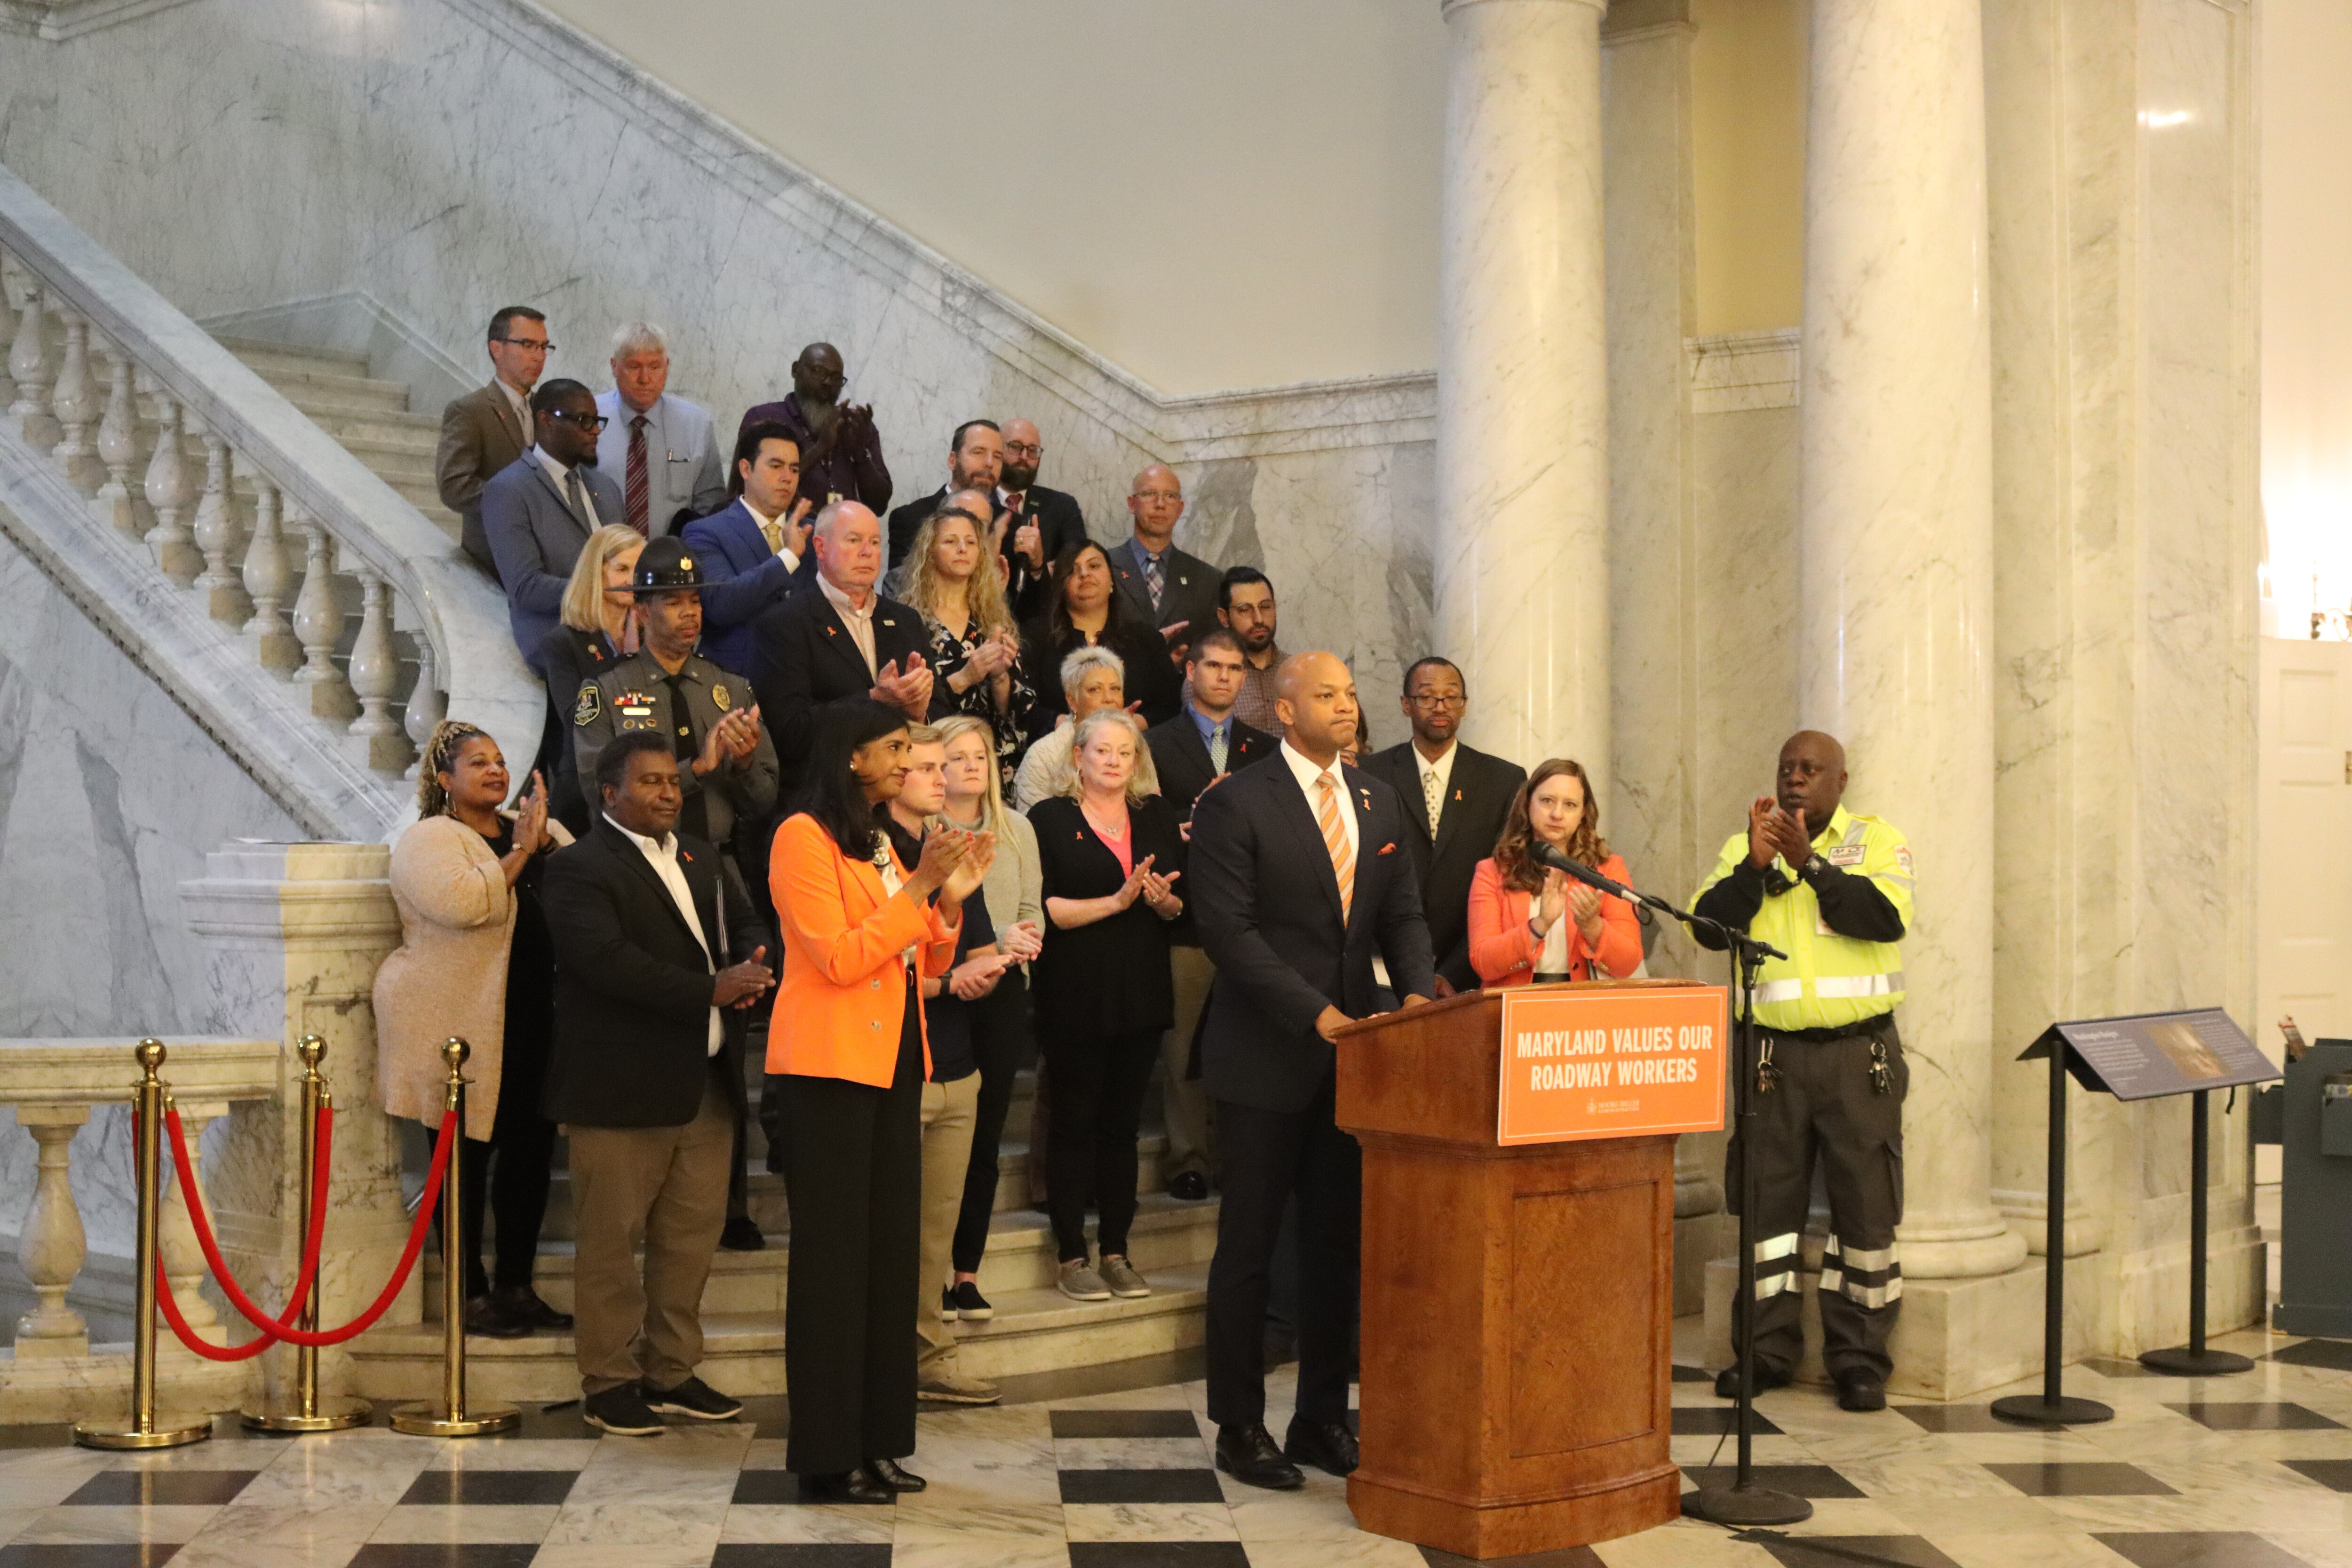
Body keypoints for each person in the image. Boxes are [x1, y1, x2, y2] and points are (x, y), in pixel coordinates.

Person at [1188, 651, 1437, 1490]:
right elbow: (1231, 933)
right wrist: (1313, 1011)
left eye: (1351, 693)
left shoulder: (1375, 795)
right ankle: (1240, 1422)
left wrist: (1410, 997)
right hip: (1265, 1053)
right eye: (1326, 694)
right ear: (1285, 711)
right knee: (1250, 1247)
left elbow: (1402, 909)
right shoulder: (1237, 802)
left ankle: (1321, 1415)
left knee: (1337, 1246)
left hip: (1356, 1060)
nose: (1346, 706)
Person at [768, 700, 992, 1501]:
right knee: (835, 1265)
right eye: (894, 747)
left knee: (891, 1258)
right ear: (850, 756)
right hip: (828, 1065)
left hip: (896, 1056)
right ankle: (829, 1456)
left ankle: (881, 1437)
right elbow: (836, 957)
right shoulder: (803, 835)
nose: (908, 759)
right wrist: (923, 885)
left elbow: (921, 947)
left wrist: (952, 897)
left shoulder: (875, 838)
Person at [541, 732, 772, 1435]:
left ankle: (671, 1371)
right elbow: (608, 964)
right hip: (620, 1088)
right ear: (609, 793)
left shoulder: (701, 855)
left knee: (690, 1237)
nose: (669, 792)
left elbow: (748, 916)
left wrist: (759, 964)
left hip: (704, 1081)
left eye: (673, 781)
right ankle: (609, 1380)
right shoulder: (578, 867)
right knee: (612, 1243)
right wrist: (713, 988)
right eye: (650, 782)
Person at [1691, 730, 1914, 1414]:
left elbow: (1883, 920)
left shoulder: (1877, 842)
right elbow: (1707, 926)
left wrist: (1810, 863)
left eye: (1811, 770)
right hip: (1771, 1059)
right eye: (1787, 768)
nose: (1795, 780)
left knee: (1865, 1210)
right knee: (1767, 1207)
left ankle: (1860, 1362)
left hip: (1859, 1057)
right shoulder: (1743, 846)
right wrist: (1757, 868)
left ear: (1840, 781)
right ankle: (1762, 1353)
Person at [570, 536, 780, 1252]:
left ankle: (732, 1204)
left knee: (732, 1038)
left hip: (716, 868)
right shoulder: (607, 690)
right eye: (672, 601)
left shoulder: (729, 687)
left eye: (694, 601)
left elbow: (764, 795)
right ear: (643, 606)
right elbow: (595, 785)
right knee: (666, 1013)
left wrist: (744, 764)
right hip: (638, 871)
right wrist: (699, 766)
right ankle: (657, 1189)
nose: (687, 615)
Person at [373, 723, 574, 1337]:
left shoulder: (531, 829)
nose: (495, 771)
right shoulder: (431, 838)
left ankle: (517, 1285)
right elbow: (468, 904)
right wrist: (521, 849)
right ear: (444, 779)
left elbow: (584, 885)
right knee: (462, 1160)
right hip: (457, 1026)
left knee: (530, 1158)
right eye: (478, 763)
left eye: (500, 761)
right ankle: (470, 1292)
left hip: (534, 1019)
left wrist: (546, 841)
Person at [880, 726, 1023, 1405]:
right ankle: (878, 1357)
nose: (942, 779)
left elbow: (973, 948)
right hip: (890, 1060)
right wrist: (942, 983)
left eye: (947, 766)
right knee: (888, 1225)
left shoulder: (953, 847)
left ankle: (932, 1354)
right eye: (927, 766)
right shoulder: (867, 848)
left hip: (955, 1063)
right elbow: (878, 962)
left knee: (937, 1227)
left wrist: (980, 970)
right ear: (891, 772)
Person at [1029, 710, 1188, 1302]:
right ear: (1078, 758)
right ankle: (1072, 1255)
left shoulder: (1156, 816)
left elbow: (1180, 910)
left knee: (1121, 1128)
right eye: (1102, 751)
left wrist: (1163, 901)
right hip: (1074, 991)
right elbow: (1044, 908)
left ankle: (1117, 1251)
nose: (1115, 761)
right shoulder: (1048, 818)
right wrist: (1117, 902)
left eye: (1125, 752)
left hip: (1141, 991)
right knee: (1074, 1123)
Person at [1145, 628, 1275, 1202]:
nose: (1225, 676)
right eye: (1214, 666)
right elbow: (1139, 821)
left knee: (1244, 1050)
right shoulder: (1155, 743)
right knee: (1181, 1052)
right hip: (1184, 917)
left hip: (1250, 923)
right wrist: (1187, 817)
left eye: (1235, 669)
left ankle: (1237, 1159)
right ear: (1189, 672)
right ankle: (1187, 1160)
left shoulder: (1265, 748)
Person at [934, 716, 1044, 1325]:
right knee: (940, 1135)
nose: (973, 765)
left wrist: (1022, 941)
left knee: (985, 1133)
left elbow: (1034, 908)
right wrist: (993, 938)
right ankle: (929, 1272)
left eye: (980, 755)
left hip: (1003, 992)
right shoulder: (921, 830)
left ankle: (966, 1271)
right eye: (958, 755)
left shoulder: (1018, 829)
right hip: (943, 991)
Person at [1363, 657, 1529, 995]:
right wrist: (1410, 967)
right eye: (1427, 696)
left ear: (1464, 706)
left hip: (1471, 973)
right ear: (1406, 705)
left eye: (1451, 696)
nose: (1441, 706)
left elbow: (1507, 883)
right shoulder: (1370, 775)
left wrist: (1453, 971)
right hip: (1384, 972)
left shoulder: (1503, 781)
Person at [750, 501, 934, 794]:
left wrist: (919, 713)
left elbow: (941, 718)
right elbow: (790, 733)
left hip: (903, 794)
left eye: (875, 542)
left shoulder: (905, 621)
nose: (868, 551)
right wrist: (874, 699)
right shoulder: (786, 624)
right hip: (825, 794)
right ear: (820, 548)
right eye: (854, 540)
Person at [481, 379, 625, 674]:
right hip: (561, 649)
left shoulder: (606, 488)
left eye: (597, 421)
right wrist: (602, 590)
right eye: (584, 421)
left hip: (622, 642)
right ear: (545, 420)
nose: (595, 430)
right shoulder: (509, 490)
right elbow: (526, 587)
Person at [1467, 758, 1641, 987]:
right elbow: (1484, 963)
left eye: (1570, 805)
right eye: (1547, 801)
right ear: (1527, 804)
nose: (1557, 814)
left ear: (1583, 814)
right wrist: (1540, 924)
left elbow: (1627, 964)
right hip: (1512, 1007)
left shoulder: (1608, 869)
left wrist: (1591, 925)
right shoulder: (1492, 872)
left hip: (1582, 1009)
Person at [895, 491, 1033, 780]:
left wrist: (999, 678)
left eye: (971, 542)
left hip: (993, 761)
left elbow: (1016, 713)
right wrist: (969, 675)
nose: (963, 549)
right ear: (929, 551)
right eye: (950, 541)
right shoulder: (908, 619)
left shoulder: (993, 616)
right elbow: (907, 703)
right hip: (936, 762)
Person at [680, 421, 811, 677]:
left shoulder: (815, 532)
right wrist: (788, 557)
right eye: (776, 466)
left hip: (808, 679)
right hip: (737, 680)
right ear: (746, 469)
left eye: (794, 469)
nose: (787, 477)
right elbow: (722, 604)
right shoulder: (705, 532)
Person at [538, 525, 643, 834]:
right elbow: (577, 717)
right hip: (586, 788)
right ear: (595, 574)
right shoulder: (564, 642)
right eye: (622, 569)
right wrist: (629, 662)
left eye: (639, 570)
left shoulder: (653, 636)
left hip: (644, 785)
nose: (632, 581)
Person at [1020, 538, 1181, 737]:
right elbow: (1022, 707)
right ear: (1061, 585)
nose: (1085, 574)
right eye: (1073, 570)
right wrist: (1072, 725)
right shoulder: (1035, 636)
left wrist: (1126, 723)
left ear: (1112, 581)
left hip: (1130, 752)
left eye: (1094, 566)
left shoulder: (1145, 638)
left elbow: (1170, 706)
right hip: (1057, 752)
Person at [436, 305, 545, 567]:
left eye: (544, 347)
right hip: (494, 559)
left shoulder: (547, 409)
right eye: (528, 345)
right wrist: (518, 503)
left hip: (545, 560)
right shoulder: (470, 410)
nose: (539, 356)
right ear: (497, 349)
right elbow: (454, 486)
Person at [595, 322, 728, 534]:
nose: (645, 379)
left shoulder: (696, 424)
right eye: (634, 367)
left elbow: (710, 501)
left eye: (655, 367)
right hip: (602, 557)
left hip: (673, 558)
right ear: (614, 366)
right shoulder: (589, 419)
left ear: (667, 366)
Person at [737, 342, 892, 514]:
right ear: (795, 370)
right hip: (780, 535)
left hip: (842, 537)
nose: (828, 382)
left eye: (836, 377)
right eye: (819, 371)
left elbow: (879, 506)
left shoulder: (856, 425)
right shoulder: (764, 418)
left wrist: (860, 454)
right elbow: (748, 490)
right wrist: (821, 447)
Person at [1010, 645, 1164, 812]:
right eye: (1095, 690)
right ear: (1072, 700)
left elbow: (1151, 807)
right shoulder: (1042, 755)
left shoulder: (1135, 745)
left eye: (1115, 689)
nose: (1108, 698)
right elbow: (1033, 830)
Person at [1106, 464, 1220, 665]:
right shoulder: (1102, 568)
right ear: (1132, 504)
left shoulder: (1208, 580)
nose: (1160, 504)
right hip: (1113, 691)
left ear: (1180, 509)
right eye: (1150, 494)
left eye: (1170, 496)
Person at [995, 418, 1087, 620]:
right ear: (997, 450)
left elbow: (1074, 566)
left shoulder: (1062, 507)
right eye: (1016, 447)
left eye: (1033, 451)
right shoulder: (977, 501)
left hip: (1040, 621)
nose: (1024, 457)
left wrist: (1039, 565)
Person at [885, 419, 1003, 569]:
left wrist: (1037, 566)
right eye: (978, 452)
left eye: (998, 457)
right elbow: (898, 587)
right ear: (953, 460)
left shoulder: (1007, 524)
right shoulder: (911, 519)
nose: (989, 463)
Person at [1179, 567, 1284, 733]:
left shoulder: (1297, 671)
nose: (1259, 619)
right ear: (1224, 617)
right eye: (1244, 610)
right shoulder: (1206, 677)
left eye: (1265, 607)